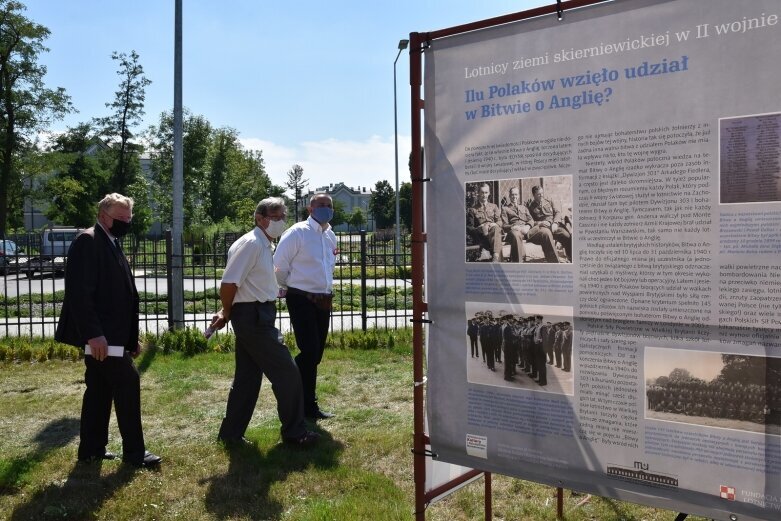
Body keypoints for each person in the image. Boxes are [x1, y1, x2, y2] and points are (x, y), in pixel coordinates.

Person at [55, 193, 161, 468]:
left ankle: (91, 449)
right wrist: (93, 334)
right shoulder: (88, 241)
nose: (126, 223)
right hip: (100, 337)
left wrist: (129, 338)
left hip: (112, 336)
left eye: (129, 218)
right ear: (103, 216)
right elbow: (80, 294)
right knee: (128, 381)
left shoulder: (111, 241)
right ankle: (135, 453)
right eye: (120, 219)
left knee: (99, 390)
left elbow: (122, 295)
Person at [210, 197, 319, 447]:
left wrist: (227, 310)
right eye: (275, 216)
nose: (280, 221)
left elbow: (243, 284)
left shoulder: (262, 243)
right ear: (260, 218)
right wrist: (226, 311)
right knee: (288, 373)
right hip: (254, 318)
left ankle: (231, 434)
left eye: (283, 216)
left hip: (256, 314)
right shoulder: (252, 244)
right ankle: (295, 433)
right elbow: (229, 284)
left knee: (247, 380)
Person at [274, 193, 338, 420]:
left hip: (323, 300)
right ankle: (302, 402)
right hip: (301, 298)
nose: (326, 209)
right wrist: (289, 286)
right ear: (310, 209)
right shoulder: (297, 233)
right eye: (321, 205)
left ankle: (306, 403)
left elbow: (328, 266)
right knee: (309, 351)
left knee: (316, 354)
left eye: (329, 205)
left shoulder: (330, 236)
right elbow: (279, 266)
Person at [527, 186, 572, 262]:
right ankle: (553, 261)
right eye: (539, 194)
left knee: (567, 236)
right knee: (546, 236)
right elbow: (530, 220)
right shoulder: (530, 206)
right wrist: (540, 223)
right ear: (534, 195)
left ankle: (570, 258)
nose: (541, 195)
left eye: (542, 193)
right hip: (543, 227)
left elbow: (557, 212)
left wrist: (555, 222)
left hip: (554, 225)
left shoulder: (549, 201)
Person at [466, 183, 503, 262]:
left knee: (496, 229)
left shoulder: (494, 206)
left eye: (486, 192)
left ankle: (495, 257)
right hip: (482, 236)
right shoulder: (473, 209)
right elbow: (469, 228)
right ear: (478, 193)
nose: (484, 195)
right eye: (482, 192)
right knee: (496, 237)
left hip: (494, 233)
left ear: (489, 193)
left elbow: (500, 221)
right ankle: (496, 257)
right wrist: (478, 229)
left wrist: (495, 224)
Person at [501, 187, 535, 262]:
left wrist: (528, 226)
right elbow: (504, 225)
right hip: (513, 232)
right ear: (509, 196)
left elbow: (531, 220)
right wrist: (514, 226)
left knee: (544, 231)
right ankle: (519, 262)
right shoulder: (505, 209)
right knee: (516, 235)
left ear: (518, 195)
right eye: (512, 195)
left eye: (516, 194)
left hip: (525, 230)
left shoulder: (524, 208)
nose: (514, 197)